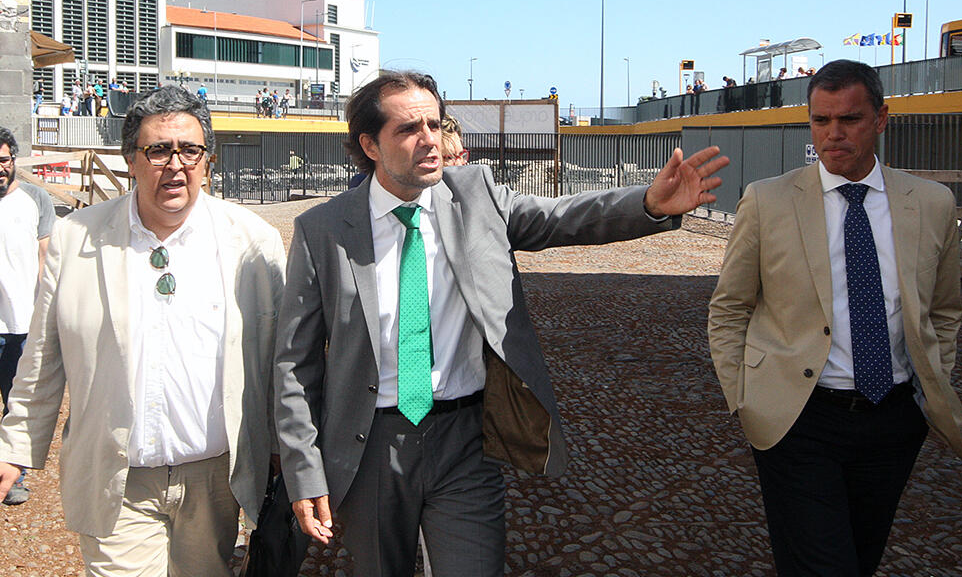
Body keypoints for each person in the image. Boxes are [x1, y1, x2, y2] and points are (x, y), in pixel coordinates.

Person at [274, 69, 728, 577]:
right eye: (408, 129)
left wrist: (646, 204)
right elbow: (296, 363)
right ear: (370, 145)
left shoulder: (475, 195)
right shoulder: (323, 230)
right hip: (370, 446)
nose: (430, 140)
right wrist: (304, 467)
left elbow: (563, 217)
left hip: (465, 439)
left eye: (435, 123)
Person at [0, 86, 286, 576]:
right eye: (157, 150)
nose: (175, 164)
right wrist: (15, 450)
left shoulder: (252, 241)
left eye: (190, 150)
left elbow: (280, 360)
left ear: (207, 160)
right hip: (117, 477)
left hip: (215, 478)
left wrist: (286, 454)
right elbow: (43, 356)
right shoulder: (78, 237)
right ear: (131, 160)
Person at [707, 60, 962, 577]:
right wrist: (745, 397)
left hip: (894, 417)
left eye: (848, 119)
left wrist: (929, 382)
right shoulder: (767, 200)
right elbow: (729, 307)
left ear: (881, 118)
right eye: (821, 120)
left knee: (861, 555)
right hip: (798, 416)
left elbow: (943, 309)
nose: (833, 133)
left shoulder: (932, 204)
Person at [0, 128, 56, 505]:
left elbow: (45, 259)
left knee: (15, 404)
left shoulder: (36, 199)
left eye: (3, 160)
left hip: (21, 322)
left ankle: (11, 473)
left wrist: (44, 318)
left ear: (13, 160)